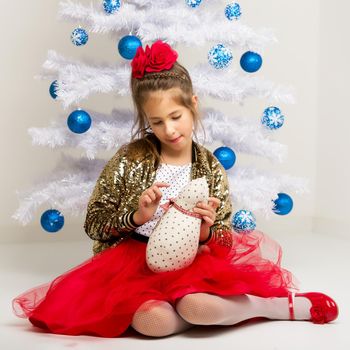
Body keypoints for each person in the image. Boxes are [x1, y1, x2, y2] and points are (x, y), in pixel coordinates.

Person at [12, 40, 338, 338]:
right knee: (153, 323)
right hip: (134, 264)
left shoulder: (209, 166)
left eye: (175, 116)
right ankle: (194, 315)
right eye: (156, 122)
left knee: (198, 306)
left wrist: (208, 232)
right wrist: (136, 217)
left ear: (193, 105)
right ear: (145, 120)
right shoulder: (131, 158)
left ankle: (269, 307)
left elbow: (225, 239)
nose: (168, 129)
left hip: (193, 263)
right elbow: (94, 222)